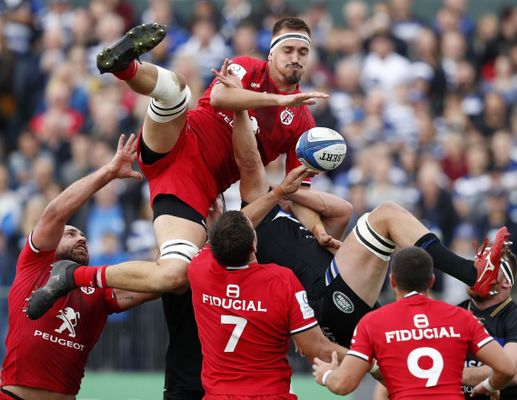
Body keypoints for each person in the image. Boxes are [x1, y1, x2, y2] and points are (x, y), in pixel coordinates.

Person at [26, 17, 329, 399]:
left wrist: (319, 230)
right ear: (271, 53)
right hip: (180, 140)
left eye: (303, 52)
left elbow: (294, 191)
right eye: (288, 50)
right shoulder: (249, 69)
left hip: (190, 190)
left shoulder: (303, 120)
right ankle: (124, 66)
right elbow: (220, 98)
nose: (295, 58)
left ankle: (73, 276)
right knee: (174, 92)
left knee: (175, 275)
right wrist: (279, 99)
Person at [219, 94, 512, 347]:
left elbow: (342, 210)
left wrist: (295, 197)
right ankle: (472, 274)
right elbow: (248, 161)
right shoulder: (245, 226)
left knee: (404, 376)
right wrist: (241, 108)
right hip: (324, 299)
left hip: (344, 294)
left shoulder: (290, 216)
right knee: (385, 214)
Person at [0, 134, 156, 400]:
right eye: (71, 233)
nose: (81, 237)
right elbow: (55, 213)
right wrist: (109, 171)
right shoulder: (34, 263)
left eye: (83, 236)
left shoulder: (99, 293)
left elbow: (157, 281)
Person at [312, 247, 516, 399]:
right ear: (432, 281)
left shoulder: (373, 323)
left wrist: (326, 374)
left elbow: (344, 384)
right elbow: (507, 368)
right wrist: (489, 386)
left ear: (392, 281)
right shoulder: (460, 317)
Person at [188, 210, 348, 399]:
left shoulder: (199, 269)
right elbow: (316, 348)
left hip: (218, 395)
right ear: (254, 246)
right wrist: (370, 362)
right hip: (270, 394)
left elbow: (211, 243)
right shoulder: (281, 280)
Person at [460, 246, 517, 399]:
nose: (476, 273)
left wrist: (443, 373)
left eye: (488, 268)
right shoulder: (453, 314)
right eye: (476, 266)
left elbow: (510, 372)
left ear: (506, 282)